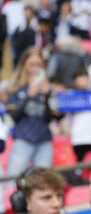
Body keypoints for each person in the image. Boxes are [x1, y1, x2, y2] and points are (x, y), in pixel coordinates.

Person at [6, 47, 59, 177]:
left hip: (44, 141)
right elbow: (12, 116)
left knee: (45, 181)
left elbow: (50, 118)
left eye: (39, 65)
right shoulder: (15, 87)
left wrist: (47, 96)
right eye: (32, 65)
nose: (35, 69)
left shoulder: (49, 89)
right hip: (22, 140)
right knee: (13, 179)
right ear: (24, 66)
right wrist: (28, 95)